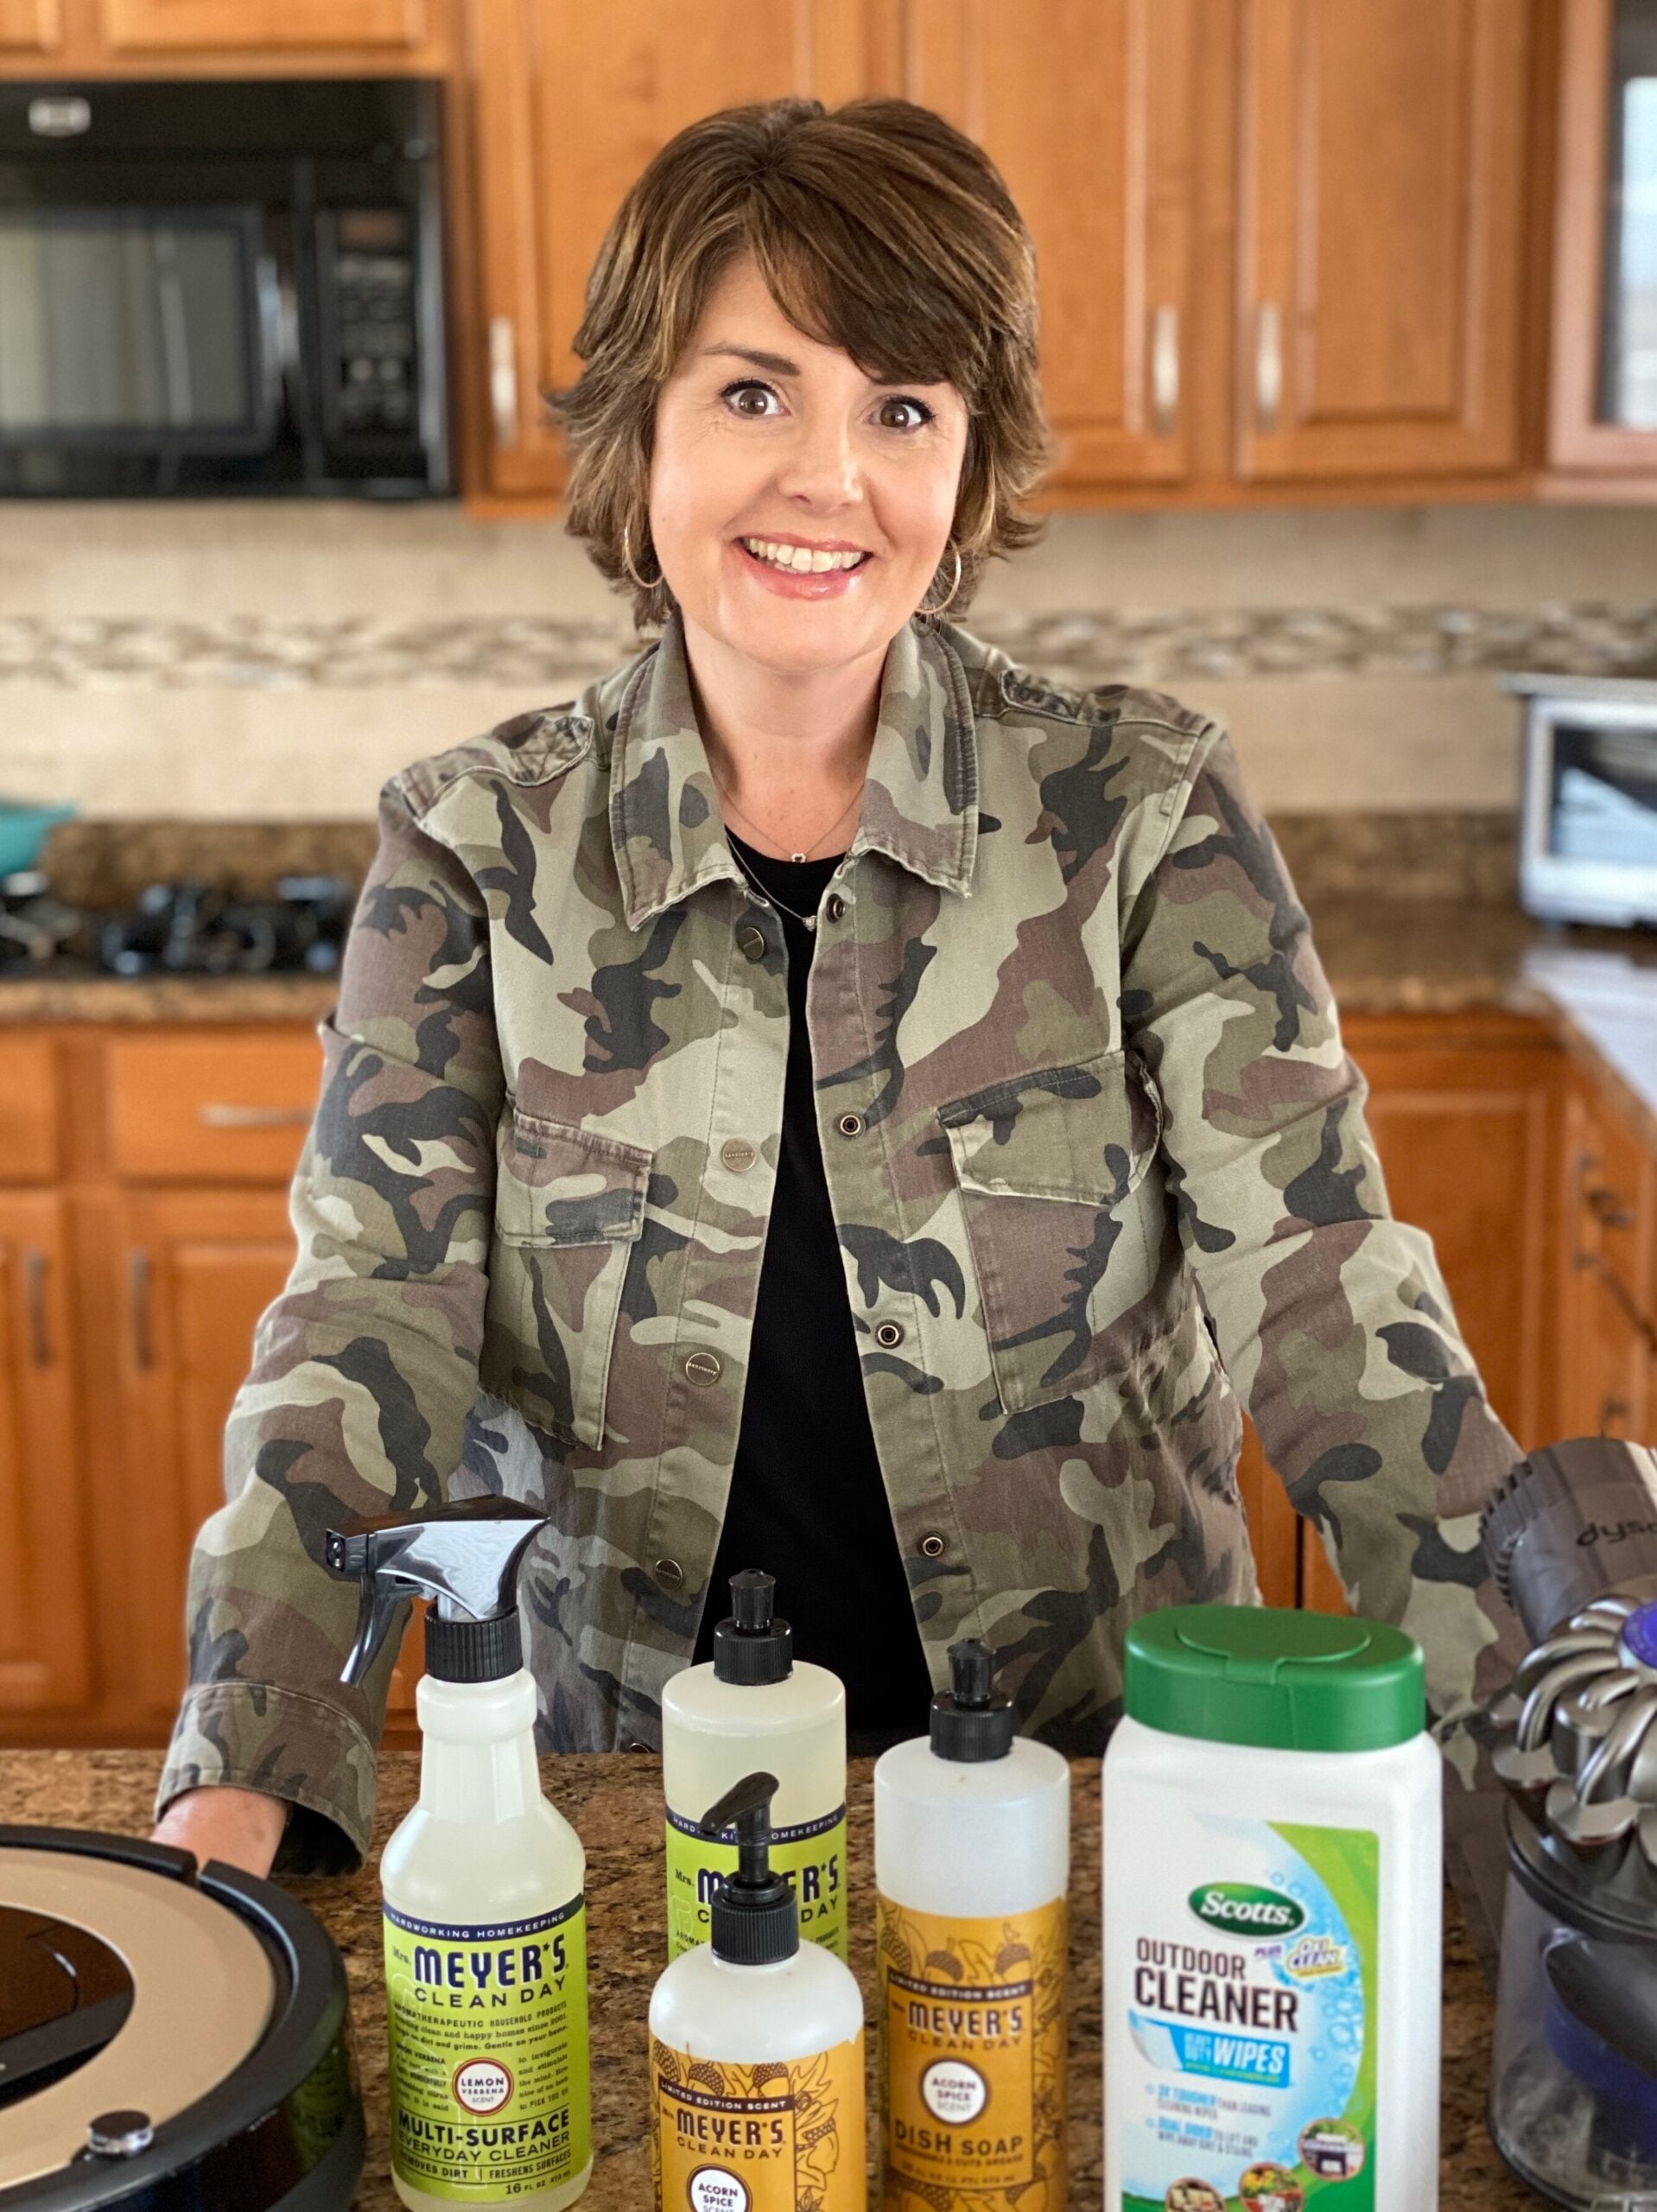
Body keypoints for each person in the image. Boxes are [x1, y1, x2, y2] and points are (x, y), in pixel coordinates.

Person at [152, 95, 1523, 1882]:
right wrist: (246, 1760)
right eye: (752, 393)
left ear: (966, 461)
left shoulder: (1138, 813)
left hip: (1098, 1800)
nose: (827, 477)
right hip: (637, 1801)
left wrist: (1535, 1729)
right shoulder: (476, 847)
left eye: (900, 408)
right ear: (639, 424)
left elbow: (1322, 1280)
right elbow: (369, 1316)